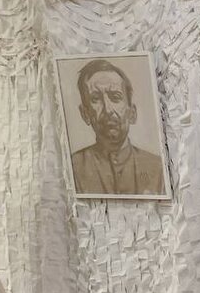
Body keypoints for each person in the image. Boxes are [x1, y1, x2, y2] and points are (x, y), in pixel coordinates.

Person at [69, 59, 165, 196]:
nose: (108, 110)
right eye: (95, 99)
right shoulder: (73, 168)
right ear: (85, 114)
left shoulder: (158, 169)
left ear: (132, 113)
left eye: (115, 97)